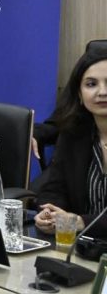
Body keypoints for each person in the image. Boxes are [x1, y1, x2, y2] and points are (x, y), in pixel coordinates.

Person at [34, 49, 107, 238]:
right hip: (84, 245)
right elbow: (54, 188)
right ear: (80, 94)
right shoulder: (74, 133)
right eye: (91, 84)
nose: (102, 92)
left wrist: (80, 222)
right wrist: (49, 214)